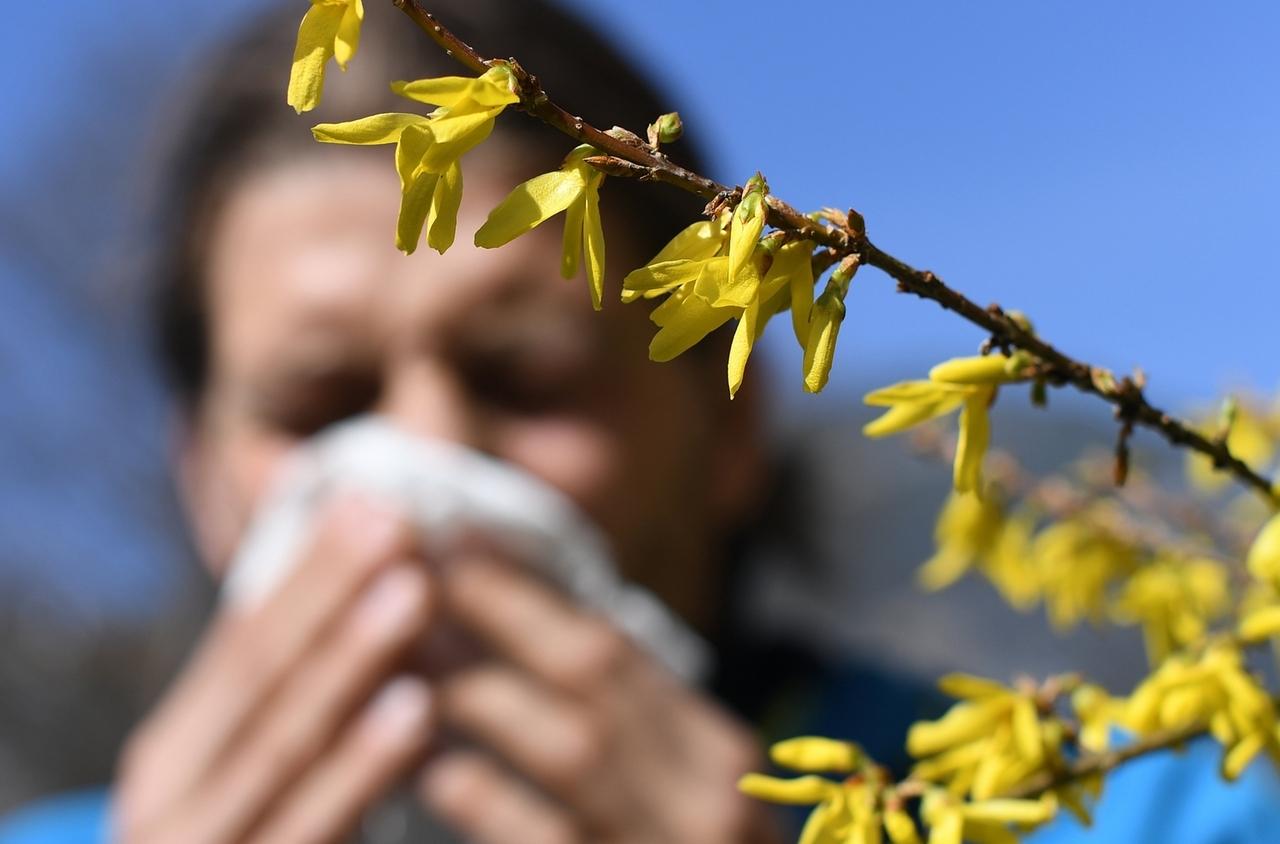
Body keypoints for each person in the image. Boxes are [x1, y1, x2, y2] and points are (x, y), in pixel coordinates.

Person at [4, 2, 1280, 842]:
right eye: (317, 404)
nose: (421, 462)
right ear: (200, 478)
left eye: (527, 376)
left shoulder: (1129, 804)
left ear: (728, 428)